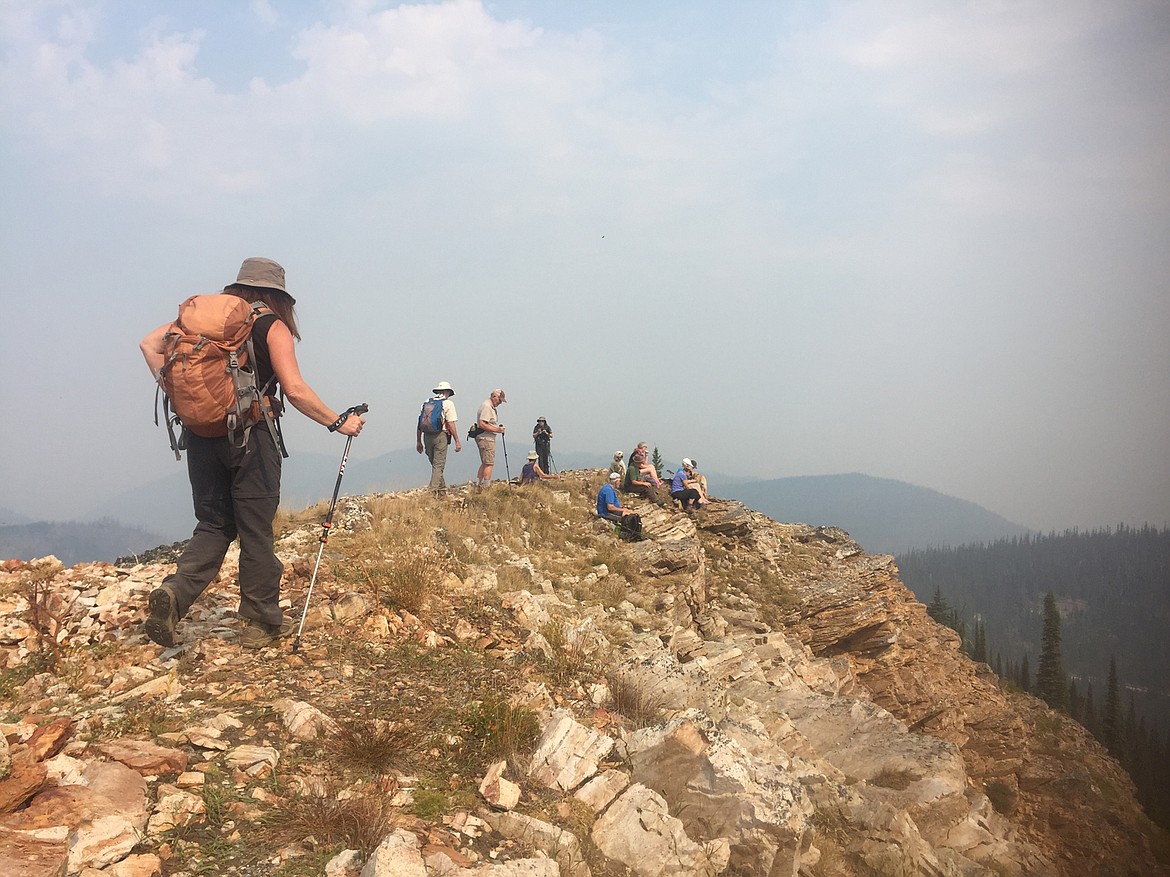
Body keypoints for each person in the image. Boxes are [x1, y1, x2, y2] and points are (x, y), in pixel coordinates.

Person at [139, 257, 364, 650]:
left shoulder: (198, 323)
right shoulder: (270, 325)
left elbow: (148, 344)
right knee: (255, 531)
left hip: (201, 436)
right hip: (251, 438)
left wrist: (182, 395)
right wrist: (336, 421)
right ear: (278, 295)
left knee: (213, 525)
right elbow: (293, 390)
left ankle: (175, 594)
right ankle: (259, 622)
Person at [416, 381, 461, 490]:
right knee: (438, 465)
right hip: (440, 436)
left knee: (435, 465)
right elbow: (450, 423)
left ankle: (441, 491)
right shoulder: (448, 404)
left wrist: (418, 441)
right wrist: (457, 441)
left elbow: (420, 422)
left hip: (426, 436)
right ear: (447, 392)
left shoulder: (427, 402)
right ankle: (432, 491)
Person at [473, 388, 506, 484]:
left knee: (485, 462)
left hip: (484, 437)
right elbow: (482, 423)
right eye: (500, 400)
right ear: (494, 396)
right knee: (489, 463)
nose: (500, 403)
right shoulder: (487, 406)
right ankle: (486, 486)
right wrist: (497, 430)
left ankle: (479, 483)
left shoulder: (489, 406)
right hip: (486, 438)